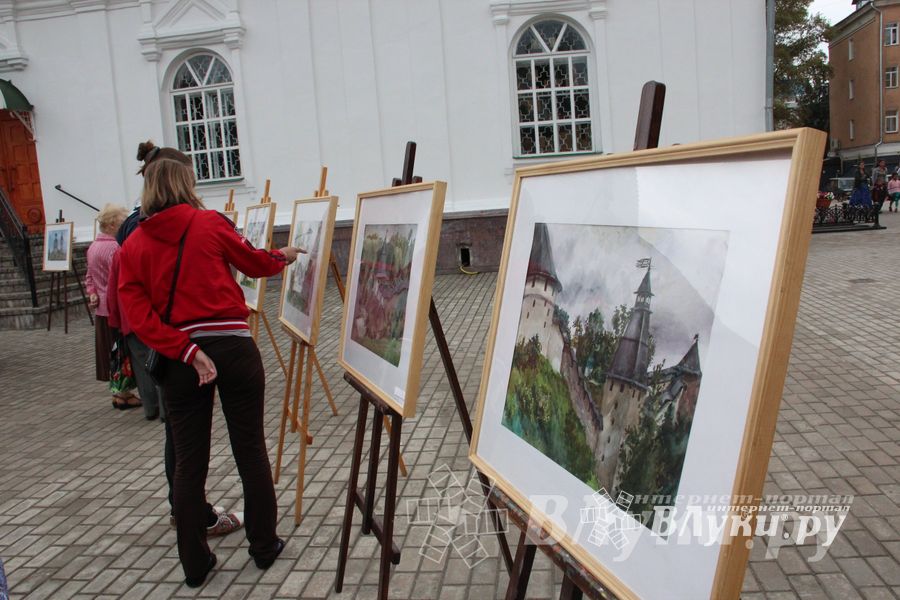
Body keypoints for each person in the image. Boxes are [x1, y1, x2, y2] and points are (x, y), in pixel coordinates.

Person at [118, 156, 302, 587]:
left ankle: (196, 565)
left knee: (188, 464)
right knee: (250, 449)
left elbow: (138, 315)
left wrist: (184, 349)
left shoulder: (133, 245)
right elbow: (255, 262)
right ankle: (262, 546)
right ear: (186, 184)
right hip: (233, 349)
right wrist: (284, 255)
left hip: (180, 359)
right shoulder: (209, 223)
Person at [85, 203, 140, 409]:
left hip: (101, 309)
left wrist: (92, 293)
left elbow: (89, 275)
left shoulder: (93, 247)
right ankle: (122, 393)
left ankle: (119, 392)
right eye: (123, 220)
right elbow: (120, 278)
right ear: (113, 224)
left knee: (112, 351)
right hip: (115, 307)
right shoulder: (114, 247)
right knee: (121, 352)